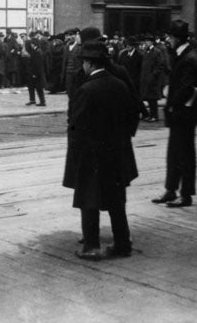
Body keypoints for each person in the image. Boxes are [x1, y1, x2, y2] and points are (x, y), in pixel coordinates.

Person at [62, 41, 142, 260]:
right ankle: (122, 244)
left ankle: (91, 246)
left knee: (89, 200)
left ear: (89, 63)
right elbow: (132, 115)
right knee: (117, 201)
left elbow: (76, 127)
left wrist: (77, 156)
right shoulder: (119, 84)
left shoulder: (86, 90)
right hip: (117, 154)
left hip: (92, 156)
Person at [152, 20, 197, 209]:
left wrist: (174, 105)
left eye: (169, 37)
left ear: (176, 38)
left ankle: (186, 194)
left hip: (184, 114)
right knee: (174, 152)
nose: (167, 40)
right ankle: (171, 189)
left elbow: (188, 88)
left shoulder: (189, 58)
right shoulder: (182, 54)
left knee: (185, 154)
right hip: (179, 114)